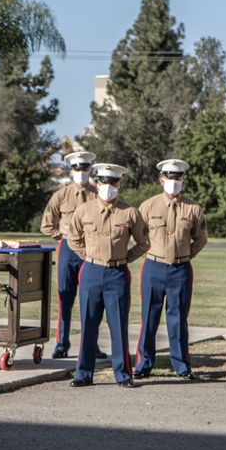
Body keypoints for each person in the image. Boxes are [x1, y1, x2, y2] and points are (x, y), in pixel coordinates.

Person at [66, 163, 149, 388]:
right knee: (88, 324)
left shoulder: (130, 212)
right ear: (97, 183)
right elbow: (72, 238)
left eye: (113, 182)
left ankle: (123, 374)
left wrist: (125, 258)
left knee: (118, 325)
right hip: (91, 271)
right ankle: (83, 374)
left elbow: (144, 242)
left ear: (119, 184)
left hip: (117, 274)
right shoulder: (84, 210)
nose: (108, 187)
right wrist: (89, 256)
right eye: (104, 182)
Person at [133, 159, 208, 380]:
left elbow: (201, 238)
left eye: (178, 179)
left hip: (180, 268)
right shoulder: (148, 206)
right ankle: (143, 364)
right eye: (169, 178)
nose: (173, 183)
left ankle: (182, 366)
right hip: (153, 267)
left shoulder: (193, 208)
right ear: (161, 180)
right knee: (149, 316)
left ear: (183, 180)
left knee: (178, 318)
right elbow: (138, 235)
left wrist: (186, 255)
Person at [40, 150, 107, 361]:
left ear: (90, 170)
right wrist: (61, 235)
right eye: (78, 169)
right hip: (68, 249)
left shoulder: (98, 194)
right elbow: (46, 223)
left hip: (91, 250)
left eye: (85, 169)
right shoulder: (61, 195)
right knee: (65, 297)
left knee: (93, 299)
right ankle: (62, 344)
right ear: (71, 171)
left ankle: (91, 344)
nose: (81, 172)